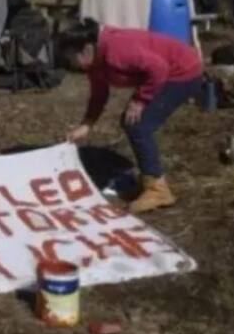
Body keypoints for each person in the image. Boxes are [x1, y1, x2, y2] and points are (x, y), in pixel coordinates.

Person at [61, 18, 203, 214]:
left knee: (138, 124)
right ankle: (150, 180)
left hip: (182, 72)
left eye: (70, 57)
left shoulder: (116, 50)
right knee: (132, 122)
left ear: (85, 49)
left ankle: (158, 189)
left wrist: (141, 100)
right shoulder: (95, 61)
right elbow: (99, 94)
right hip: (166, 71)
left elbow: (158, 68)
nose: (70, 63)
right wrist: (87, 124)